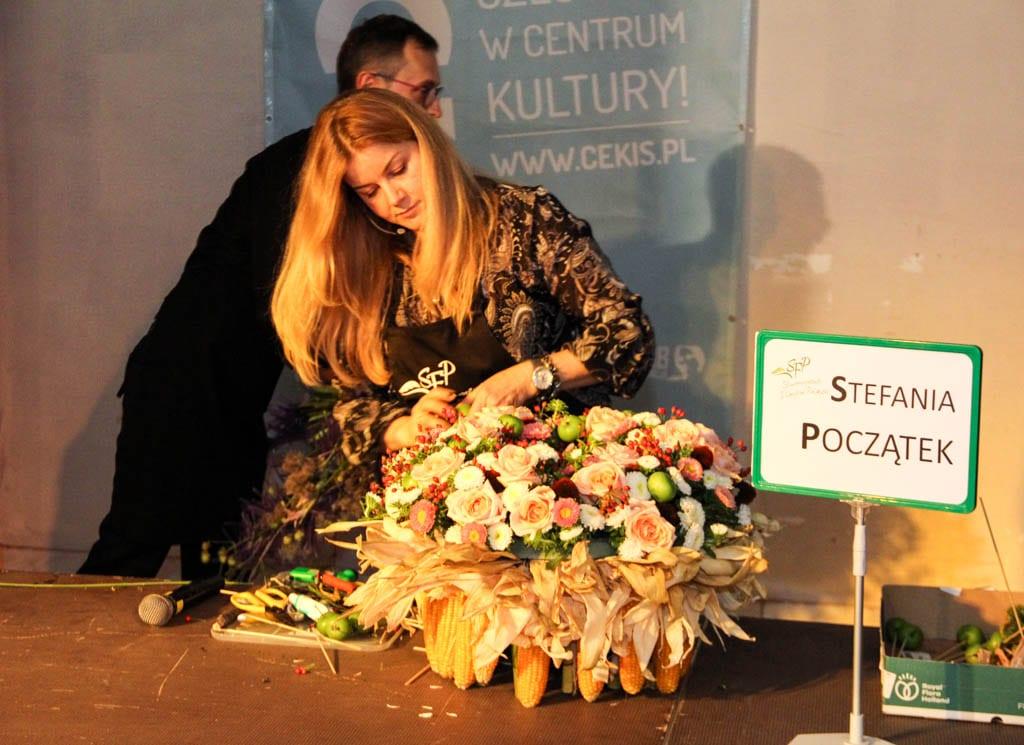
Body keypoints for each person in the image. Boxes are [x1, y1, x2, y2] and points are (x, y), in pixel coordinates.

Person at [79, 15, 443, 579]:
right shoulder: (301, 170)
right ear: (371, 87)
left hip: (236, 402)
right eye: (424, 91)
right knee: (128, 554)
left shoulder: (333, 174)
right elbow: (306, 306)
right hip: (185, 393)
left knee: (215, 570)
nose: (434, 110)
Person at [265, 89, 654, 536]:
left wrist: (528, 378)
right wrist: (404, 426)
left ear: (426, 143)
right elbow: (342, 409)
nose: (395, 198)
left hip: (561, 512)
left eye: (399, 169)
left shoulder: (523, 221)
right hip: (438, 527)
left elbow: (627, 333)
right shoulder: (368, 266)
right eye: (370, 192)